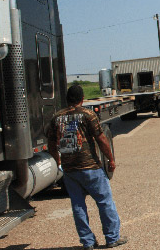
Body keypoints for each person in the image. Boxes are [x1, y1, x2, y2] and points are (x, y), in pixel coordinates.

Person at [46, 85, 127, 250]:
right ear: (82, 99)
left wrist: (59, 162)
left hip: (70, 171)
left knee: (78, 206)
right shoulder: (87, 114)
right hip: (90, 167)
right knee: (105, 202)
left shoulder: (56, 118)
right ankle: (112, 238)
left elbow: (51, 144)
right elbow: (101, 138)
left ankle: (88, 242)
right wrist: (110, 159)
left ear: (67, 99)